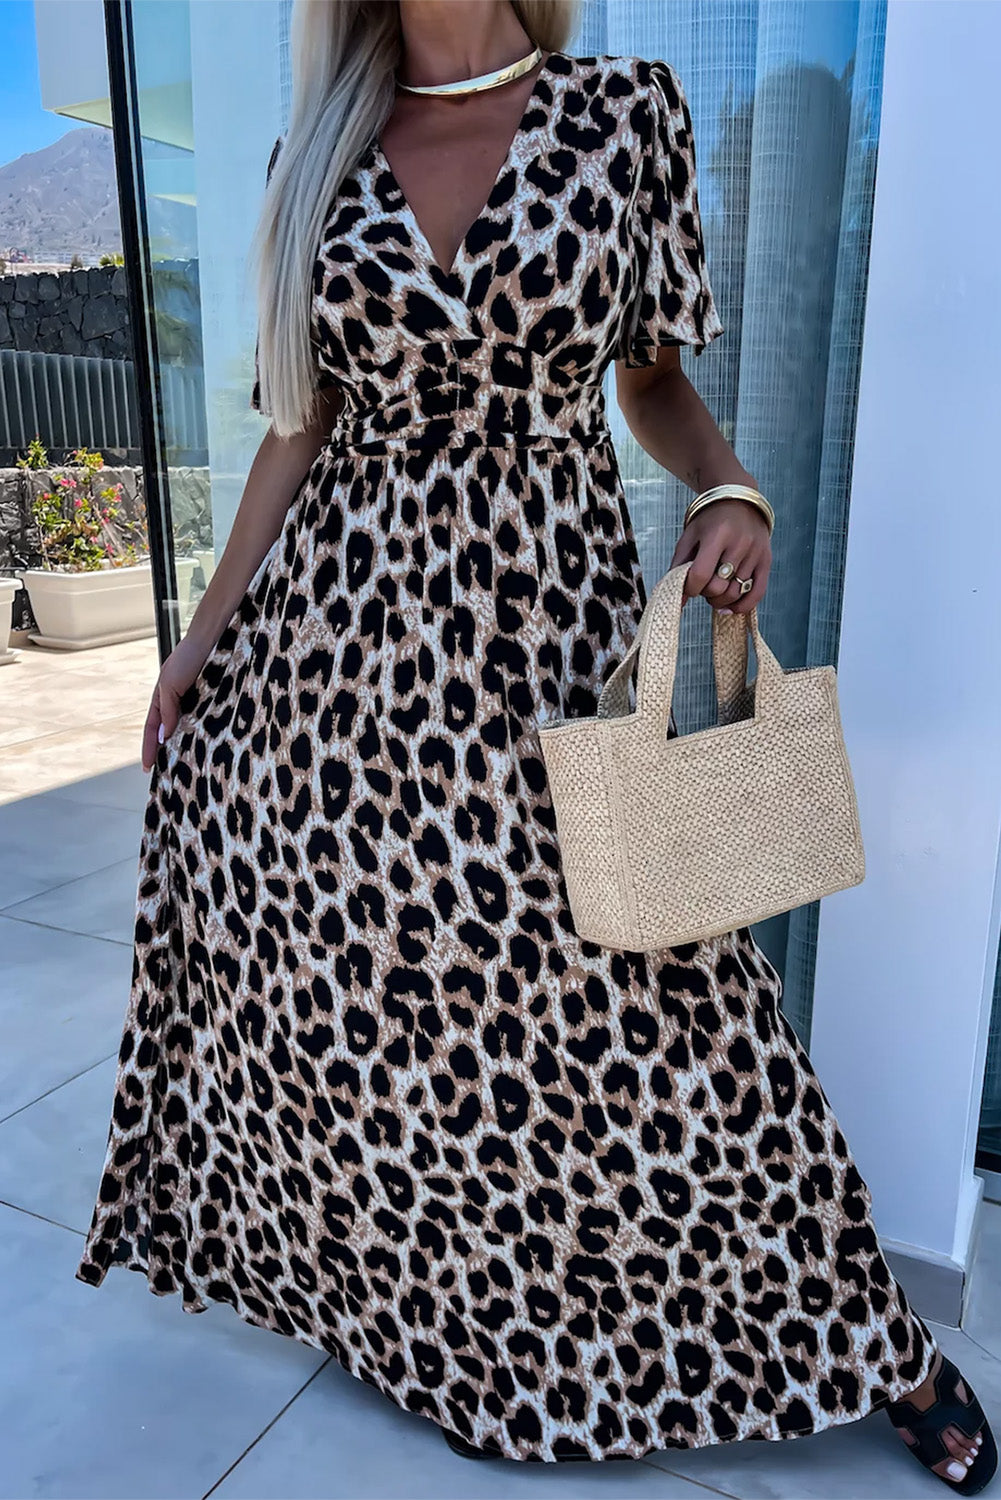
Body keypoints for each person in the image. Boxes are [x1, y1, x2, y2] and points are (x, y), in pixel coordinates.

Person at [76, 0, 997, 1488]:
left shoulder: (622, 111)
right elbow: (295, 430)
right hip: (337, 648)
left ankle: (865, 1337)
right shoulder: (310, 152)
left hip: (541, 631)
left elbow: (646, 381)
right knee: (372, 1002)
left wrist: (732, 486)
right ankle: (421, 1320)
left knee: (664, 998)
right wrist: (196, 644)